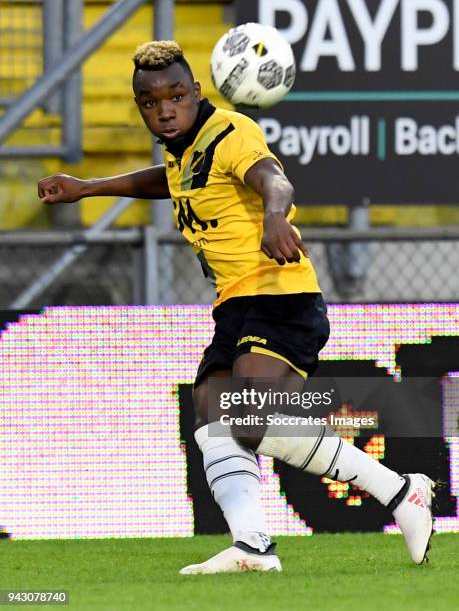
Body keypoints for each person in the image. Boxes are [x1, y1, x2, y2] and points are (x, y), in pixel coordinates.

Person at [38, 40, 435, 575]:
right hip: (235, 304)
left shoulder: (230, 130)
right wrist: (88, 188)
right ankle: (253, 546)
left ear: (196, 92)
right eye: (150, 103)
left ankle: (398, 490)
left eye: (176, 96)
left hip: (279, 293)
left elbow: (274, 178)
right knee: (210, 418)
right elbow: (172, 184)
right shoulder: (182, 150)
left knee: (240, 417)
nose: (165, 110)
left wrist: (276, 215)